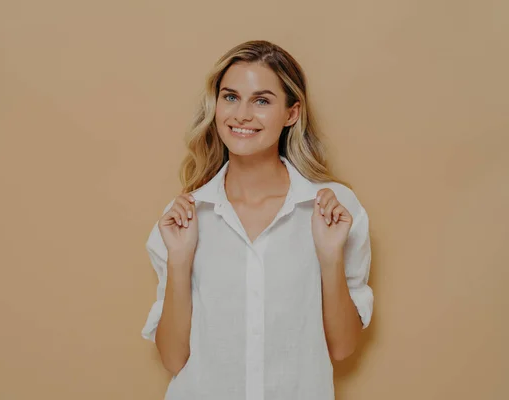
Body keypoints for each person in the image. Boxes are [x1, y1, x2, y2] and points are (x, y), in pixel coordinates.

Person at [141, 40, 374, 400]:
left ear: (292, 113)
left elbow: (341, 348)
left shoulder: (334, 210)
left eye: (262, 100)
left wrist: (330, 258)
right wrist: (180, 260)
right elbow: (173, 359)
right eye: (230, 97)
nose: (241, 115)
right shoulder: (184, 217)